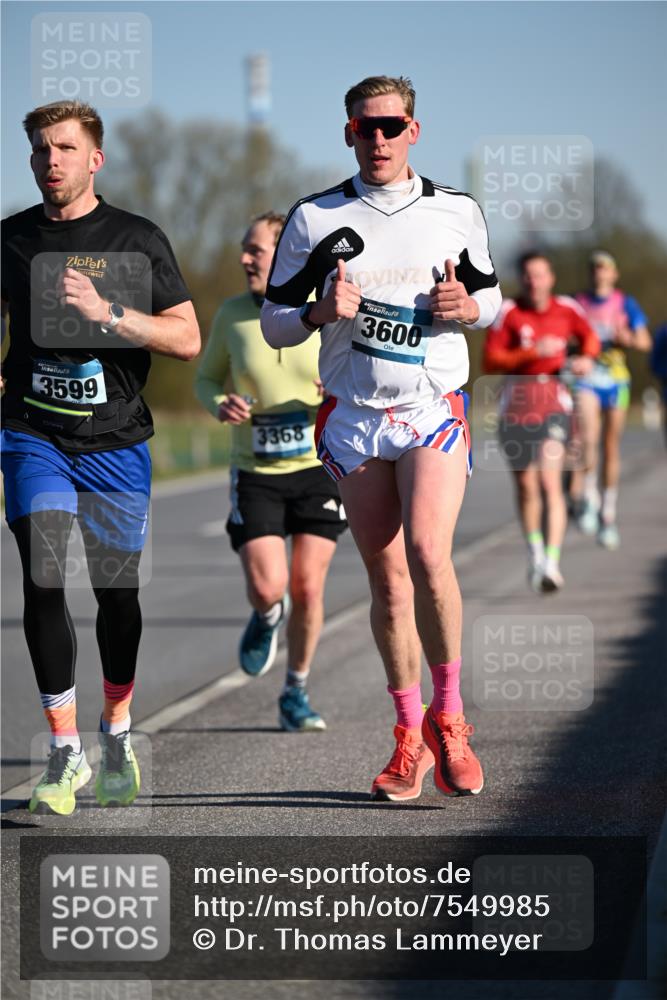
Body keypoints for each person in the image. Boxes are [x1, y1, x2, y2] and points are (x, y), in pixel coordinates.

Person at [261, 75, 501, 802]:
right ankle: (407, 739)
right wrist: (313, 314)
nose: (378, 140)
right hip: (355, 414)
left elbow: (489, 297)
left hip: (430, 405)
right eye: (365, 128)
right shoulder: (313, 216)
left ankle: (450, 719)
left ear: (413, 132)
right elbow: (272, 319)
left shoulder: (455, 210)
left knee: (429, 554)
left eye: (391, 127)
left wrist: (468, 307)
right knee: (388, 580)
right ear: (347, 133)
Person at [1, 101, 199, 815]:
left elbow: (186, 339)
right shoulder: (11, 238)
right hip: (33, 434)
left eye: (63, 148)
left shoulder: (136, 238)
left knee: (118, 598)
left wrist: (108, 315)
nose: (50, 160)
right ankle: (64, 753)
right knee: (44, 573)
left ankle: (115, 731)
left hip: (115, 441)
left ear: (95, 159)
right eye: (39, 150)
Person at [195, 212, 347, 732]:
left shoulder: (326, 310)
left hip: (317, 467)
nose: (244, 258)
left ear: (285, 257)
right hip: (255, 471)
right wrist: (220, 401)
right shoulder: (232, 315)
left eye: (254, 250)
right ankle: (264, 617)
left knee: (307, 587)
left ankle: (295, 691)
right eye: (244, 248)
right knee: (269, 587)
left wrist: (338, 392)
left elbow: (359, 372)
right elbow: (205, 377)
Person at [483, 253, 599, 592]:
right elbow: (490, 360)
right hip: (517, 405)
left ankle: (551, 563)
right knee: (526, 487)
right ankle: (534, 553)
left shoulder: (567, 309)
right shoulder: (508, 312)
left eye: (540, 275)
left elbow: (589, 337)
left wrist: (586, 359)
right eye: (528, 276)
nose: (535, 282)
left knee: (550, 482)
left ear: (551, 278)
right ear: (522, 280)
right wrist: (533, 353)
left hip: (553, 402)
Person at [569, 251, 651, 549]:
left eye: (604, 269)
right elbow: (564, 332)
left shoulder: (625, 302)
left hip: (616, 379)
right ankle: (589, 496)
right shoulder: (578, 302)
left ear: (613, 274)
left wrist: (627, 338)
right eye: (594, 269)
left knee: (610, 446)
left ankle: (608, 512)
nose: (599, 273)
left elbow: (645, 342)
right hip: (588, 379)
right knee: (588, 438)